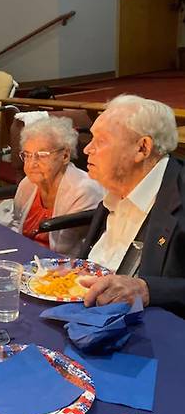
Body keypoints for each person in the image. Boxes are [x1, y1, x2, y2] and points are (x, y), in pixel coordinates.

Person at [77, 95, 185, 317]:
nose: (87, 149)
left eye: (101, 140)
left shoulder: (180, 197)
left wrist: (148, 290)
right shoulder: (115, 187)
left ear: (142, 148)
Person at [0, 116, 104, 257]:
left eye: (42, 155)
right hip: (24, 255)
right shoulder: (28, 184)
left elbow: (67, 250)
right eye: (27, 155)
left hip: (59, 267)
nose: (32, 164)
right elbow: (16, 223)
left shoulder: (84, 191)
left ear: (65, 156)